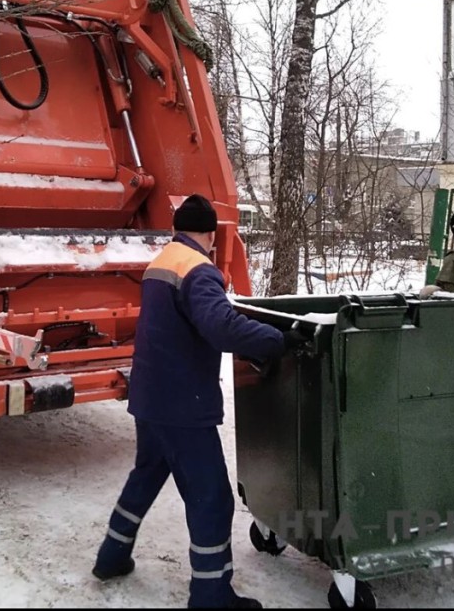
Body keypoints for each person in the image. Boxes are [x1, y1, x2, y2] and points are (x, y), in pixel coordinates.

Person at [92, 193, 308, 609]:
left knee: (145, 476)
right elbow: (220, 326)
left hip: (151, 397)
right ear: (210, 235)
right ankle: (211, 595)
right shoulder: (199, 269)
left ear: (177, 229)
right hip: (182, 406)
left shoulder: (162, 262)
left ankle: (112, 555)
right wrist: (276, 340)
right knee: (212, 498)